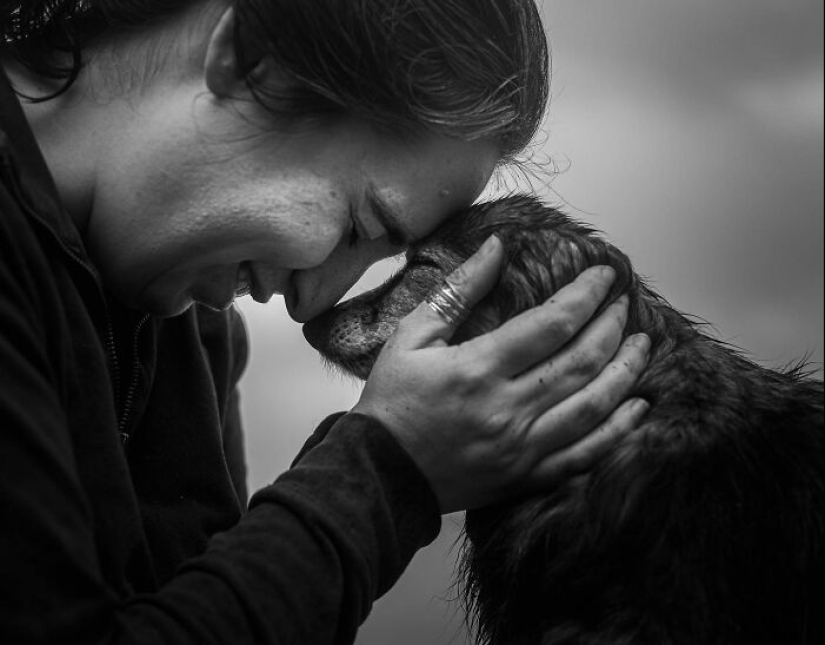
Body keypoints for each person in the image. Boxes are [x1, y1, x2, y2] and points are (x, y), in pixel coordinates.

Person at [0, 1, 651, 643]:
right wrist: (387, 467)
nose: (313, 306)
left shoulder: (190, 323)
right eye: (357, 225)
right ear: (249, 59)